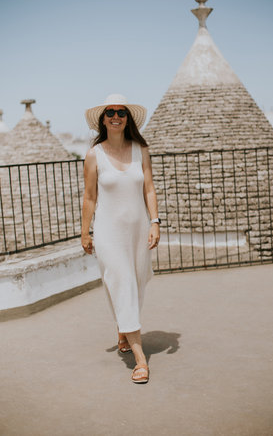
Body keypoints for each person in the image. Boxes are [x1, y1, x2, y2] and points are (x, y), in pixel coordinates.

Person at [81, 94, 160, 384]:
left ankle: (123, 332)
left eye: (121, 112)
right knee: (123, 282)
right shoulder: (94, 155)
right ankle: (141, 360)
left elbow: (149, 189)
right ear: (102, 119)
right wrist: (85, 231)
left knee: (137, 282)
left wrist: (155, 222)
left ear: (128, 118)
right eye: (110, 112)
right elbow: (90, 197)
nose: (116, 116)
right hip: (108, 233)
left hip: (139, 230)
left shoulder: (141, 150)